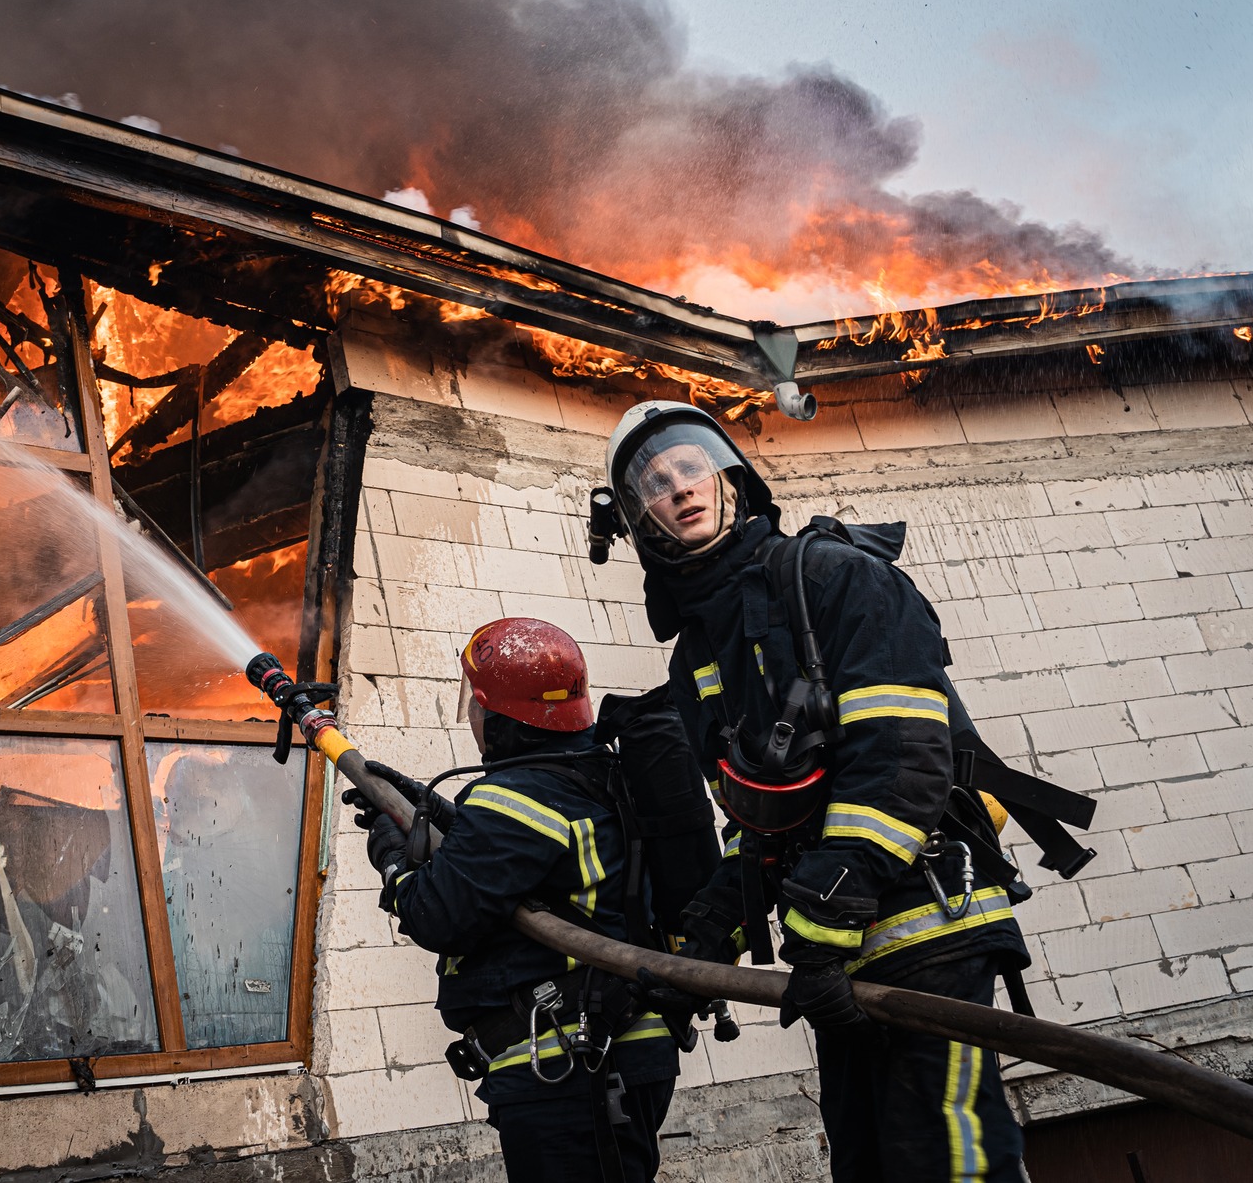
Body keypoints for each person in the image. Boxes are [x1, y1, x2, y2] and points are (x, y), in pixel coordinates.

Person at [601, 401, 1030, 1183]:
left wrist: (824, 919)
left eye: (692, 466)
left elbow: (902, 762)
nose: (681, 488)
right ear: (639, 521)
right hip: (836, 958)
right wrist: (698, 943)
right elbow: (754, 817)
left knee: (948, 1162)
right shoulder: (698, 652)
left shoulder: (834, 576)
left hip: (923, 925)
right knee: (866, 1166)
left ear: (733, 478)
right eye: (655, 483)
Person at [347, 617, 684, 1183]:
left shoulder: (517, 797)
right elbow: (531, 868)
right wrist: (436, 815)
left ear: (496, 712)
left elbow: (437, 914)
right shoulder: (593, 773)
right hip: (620, 1048)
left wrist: (393, 857)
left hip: (570, 1064)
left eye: (474, 704)